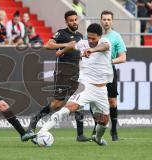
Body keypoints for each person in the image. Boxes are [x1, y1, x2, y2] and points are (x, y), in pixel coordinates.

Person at [36, 23, 113, 146]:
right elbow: (72, 45)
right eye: (89, 38)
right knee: (68, 108)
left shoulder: (105, 42)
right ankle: (42, 131)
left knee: (104, 121)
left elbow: (104, 46)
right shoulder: (83, 43)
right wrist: (61, 51)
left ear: (100, 36)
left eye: (94, 38)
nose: (91, 41)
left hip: (101, 90)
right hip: (86, 86)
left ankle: (97, 138)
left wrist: (92, 49)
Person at [27, 10, 90, 142]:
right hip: (63, 72)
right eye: (71, 20)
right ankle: (34, 121)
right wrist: (66, 44)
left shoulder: (80, 36)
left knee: (79, 102)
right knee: (57, 103)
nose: (74, 22)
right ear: (66, 22)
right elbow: (48, 45)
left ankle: (80, 134)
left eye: (75, 19)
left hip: (76, 73)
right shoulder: (61, 33)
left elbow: (78, 52)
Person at [91, 10, 126, 141]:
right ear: (100, 20)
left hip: (109, 71)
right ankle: (96, 127)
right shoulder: (93, 35)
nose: (106, 21)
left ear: (112, 21)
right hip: (94, 71)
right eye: (104, 19)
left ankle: (114, 130)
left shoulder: (116, 36)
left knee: (112, 101)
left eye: (108, 19)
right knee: (94, 101)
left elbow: (123, 57)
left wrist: (109, 61)